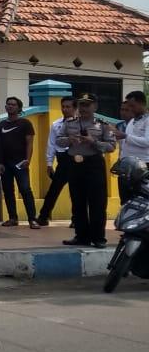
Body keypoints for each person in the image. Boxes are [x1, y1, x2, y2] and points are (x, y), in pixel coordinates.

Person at [57, 93, 116, 248]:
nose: (84, 108)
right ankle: (81, 236)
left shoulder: (103, 124)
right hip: (75, 164)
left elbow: (111, 146)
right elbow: (58, 140)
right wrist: (69, 140)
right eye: (81, 105)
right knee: (77, 202)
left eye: (87, 105)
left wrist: (94, 142)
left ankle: (98, 238)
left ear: (95, 106)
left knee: (97, 202)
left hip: (94, 164)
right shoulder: (69, 123)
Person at [0, 97, 40, 229]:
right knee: (8, 191)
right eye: (8, 104)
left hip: (20, 163)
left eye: (13, 105)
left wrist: (28, 159)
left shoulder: (25, 123)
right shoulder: (1, 125)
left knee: (25, 190)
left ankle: (32, 219)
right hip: (5, 164)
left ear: (19, 108)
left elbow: (30, 143)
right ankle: (12, 218)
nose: (10, 106)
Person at [37, 96, 76, 227]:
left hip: (76, 158)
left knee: (75, 190)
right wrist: (49, 163)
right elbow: (51, 144)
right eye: (63, 106)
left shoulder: (80, 124)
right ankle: (43, 216)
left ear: (74, 108)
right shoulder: (56, 124)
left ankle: (77, 219)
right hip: (62, 159)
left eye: (68, 107)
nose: (65, 109)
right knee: (54, 189)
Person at [116, 91, 149, 205]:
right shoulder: (132, 122)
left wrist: (125, 136)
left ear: (142, 104)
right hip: (127, 167)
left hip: (142, 167)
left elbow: (147, 142)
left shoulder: (147, 120)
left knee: (142, 201)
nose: (130, 109)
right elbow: (126, 144)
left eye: (132, 106)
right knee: (125, 201)